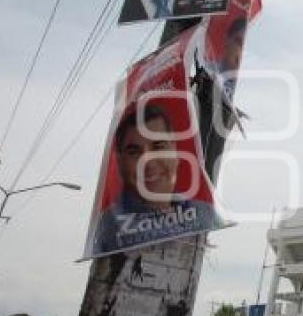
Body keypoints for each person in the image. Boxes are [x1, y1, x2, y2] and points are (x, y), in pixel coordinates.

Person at [92, 103, 219, 254]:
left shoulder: (204, 214)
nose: (148, 162)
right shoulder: (108, 228)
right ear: (119, 162)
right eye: (134, 152)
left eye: (158, 147)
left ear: (176, 153)